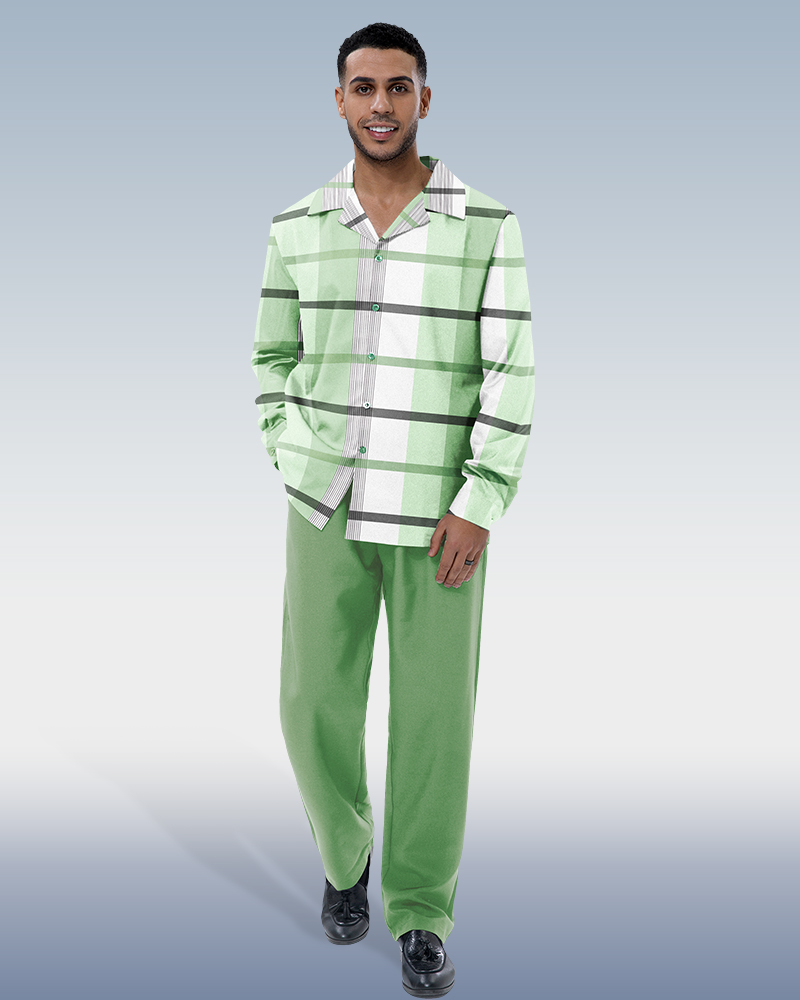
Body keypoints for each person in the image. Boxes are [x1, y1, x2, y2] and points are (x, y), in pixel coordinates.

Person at [250, 22, 534, 997]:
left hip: (438, 515)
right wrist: (294, 455)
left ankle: (419, 912)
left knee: (433, 723)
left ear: (424, 98)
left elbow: (512, 371)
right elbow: (271, 361)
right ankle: (345, 859)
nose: (381, 104)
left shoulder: (486, 225)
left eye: (398, 86)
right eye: (363, 87)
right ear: (339, 99)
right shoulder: (296, 225)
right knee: (308, 703)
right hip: (323, 505)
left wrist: (481, 499)